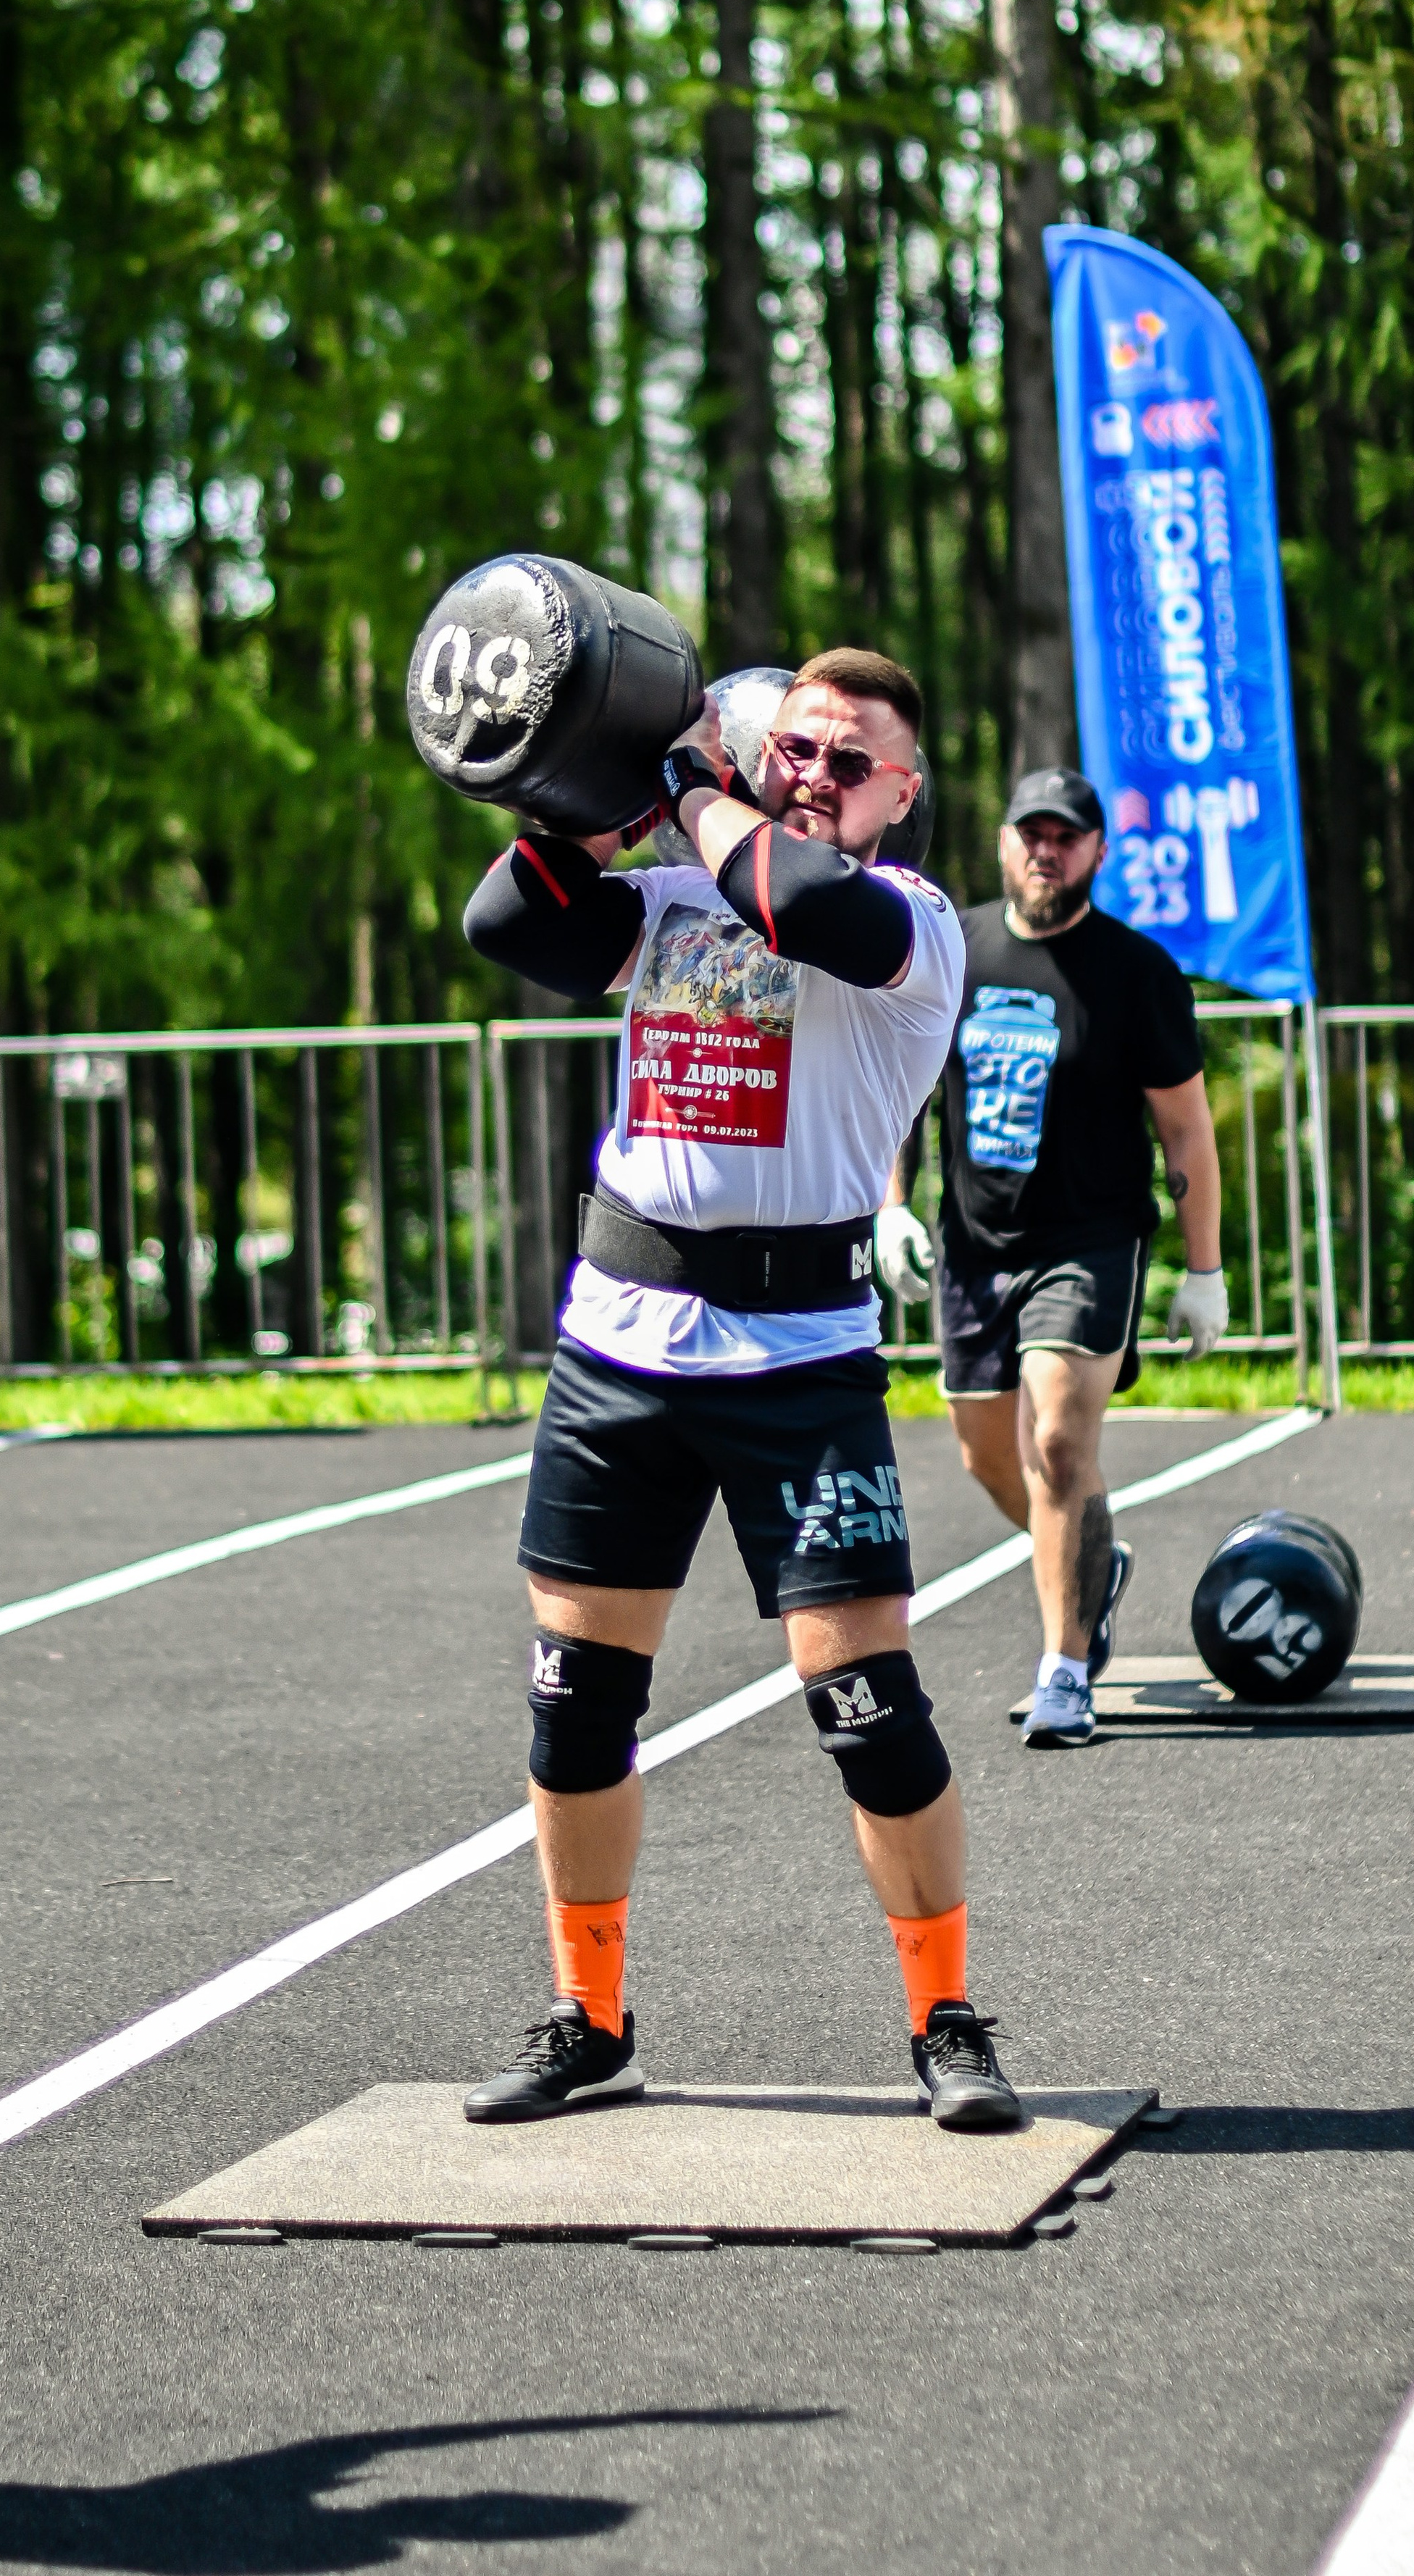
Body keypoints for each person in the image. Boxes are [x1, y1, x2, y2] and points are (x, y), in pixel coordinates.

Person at [456, 647, 1021, 2130]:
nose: (814, 775)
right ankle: (589, 2018)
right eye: (800, 750)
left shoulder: (905, 924)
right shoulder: (673, 902)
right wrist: (608, 801)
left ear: (901, 794)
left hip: (798, 1359)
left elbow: (804, 907)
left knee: (865, 1705)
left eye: (850, 763)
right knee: (576, 1702)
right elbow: (505, 918)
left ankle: (944, 2018)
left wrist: (698, 787)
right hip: (621, 1345)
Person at [877, 766, 1227, 1749]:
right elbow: (905, 1091)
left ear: (1096, 853)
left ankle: (1066, 1671)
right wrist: (889, 1210)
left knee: (1060, 1449)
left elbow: (1187, 1134)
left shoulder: (1135, 972)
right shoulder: (956, 951)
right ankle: (1091, 1562)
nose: (1046, 851)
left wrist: (1205, 1273)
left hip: (1090, 1241)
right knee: (989, 1456)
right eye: (1030, 833)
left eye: (1066, 836)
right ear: (1003, 844)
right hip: (973, 1248)